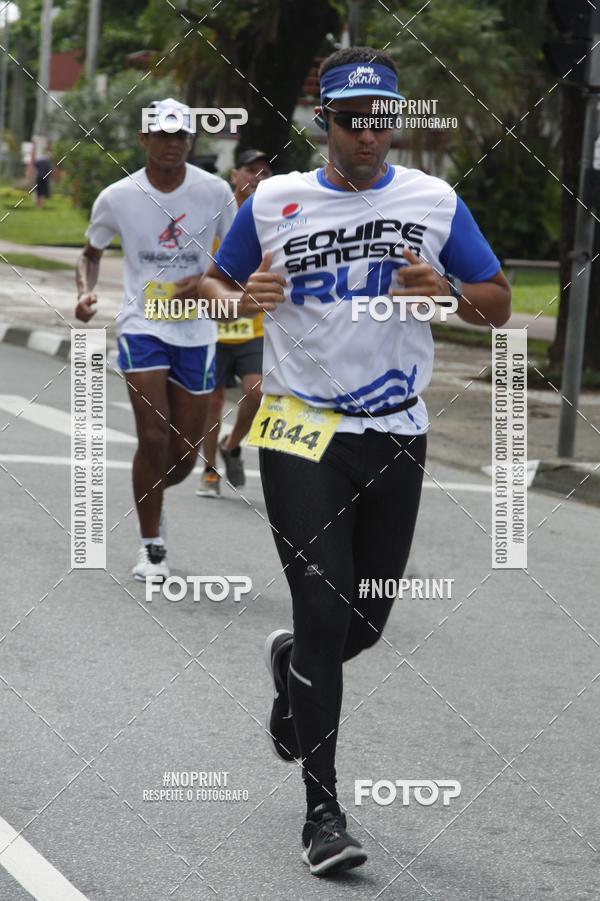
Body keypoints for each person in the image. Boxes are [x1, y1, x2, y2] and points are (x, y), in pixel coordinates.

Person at [199, 47, 511, 876]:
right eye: (351, 120)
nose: (368, 135)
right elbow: (212, 284)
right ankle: (324, 814)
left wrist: (440, 293)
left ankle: (292, 665)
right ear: (325, 123)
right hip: (301, 428)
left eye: (382, 120)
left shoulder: (434, 200)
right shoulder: (275, 200)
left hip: (395, 429)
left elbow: (499, 301)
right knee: (327, 608)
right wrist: (241, 302)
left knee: (363, 625)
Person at [75, 98, 236, 581]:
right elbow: (90, 253)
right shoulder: (117, 196)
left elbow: (238, 255)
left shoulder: (215, 192)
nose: (172, 144)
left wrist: (211, 280)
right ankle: (151, 546)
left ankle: (155, 499)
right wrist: (85, 293)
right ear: (144, 139)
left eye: (181, 136)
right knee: (152, 435)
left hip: (196, 330)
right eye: (162, 135)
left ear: (191, 141)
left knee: (183, 456)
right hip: (141, 325)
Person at [198, 149, 272, 497]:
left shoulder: (273, 219)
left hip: (252, 327)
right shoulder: (215, 213)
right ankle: (209, 470)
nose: (258, 177)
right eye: (250, 170)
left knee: (256, 392)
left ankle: (232, 444)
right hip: (214, 326)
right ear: (234, 175)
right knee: (212, 402)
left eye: (265, 172)